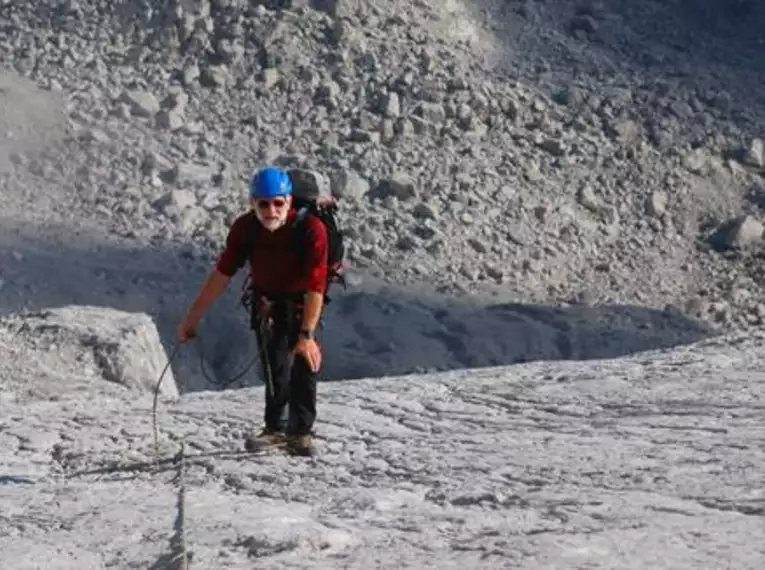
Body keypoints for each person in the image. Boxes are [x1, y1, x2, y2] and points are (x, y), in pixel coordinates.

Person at [177, 166, 328, 456]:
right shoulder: (245, 229)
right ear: (252, 204)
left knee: (304, 365)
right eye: (263, 204)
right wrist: (192, 317)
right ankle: (275, 428)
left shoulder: (312, 230)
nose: (271, 210)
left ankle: (300, 433)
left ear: (289, 201)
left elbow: (316, 285)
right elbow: (222, 273)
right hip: (267, 306)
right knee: (274, 367)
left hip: (303, 306)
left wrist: (307, 334)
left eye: (277, 203)